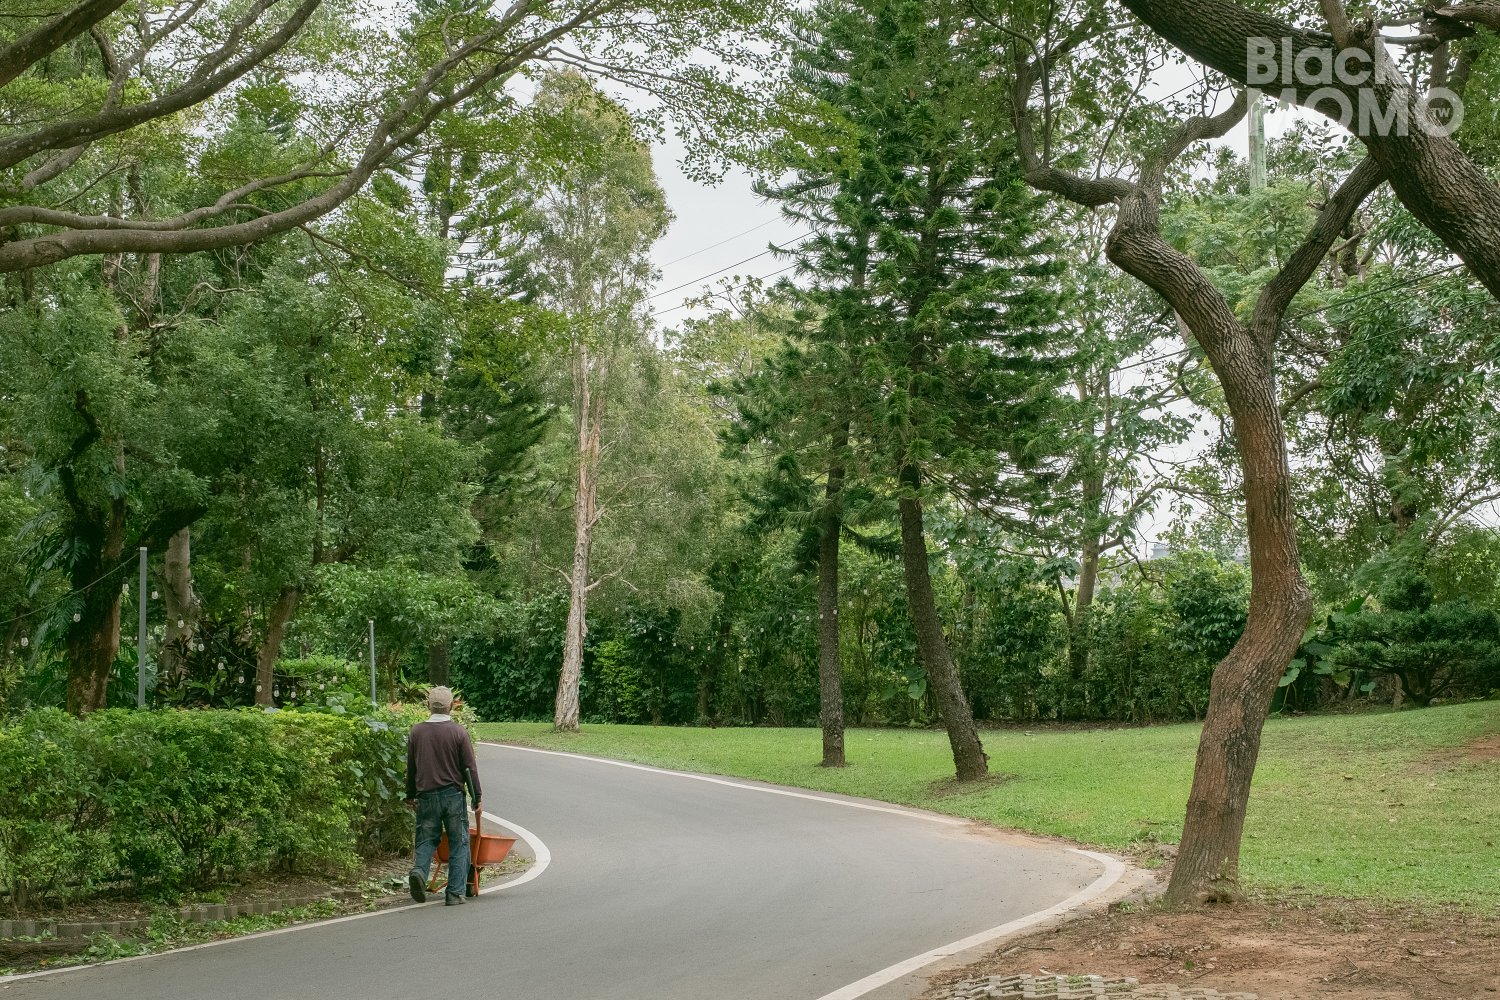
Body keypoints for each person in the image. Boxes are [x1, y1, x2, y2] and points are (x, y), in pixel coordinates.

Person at [405, 686, 483, 905]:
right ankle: (455, 893)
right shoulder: (458, 732)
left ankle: (419, 872)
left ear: (428, 706)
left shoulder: (416, 732)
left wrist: (410, 794)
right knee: (459, 842)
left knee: (426, 839)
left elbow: (412, 767)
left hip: (426, 796)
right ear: (451, 706)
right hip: (453, 796)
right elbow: (469, 768)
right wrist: (477, 797)